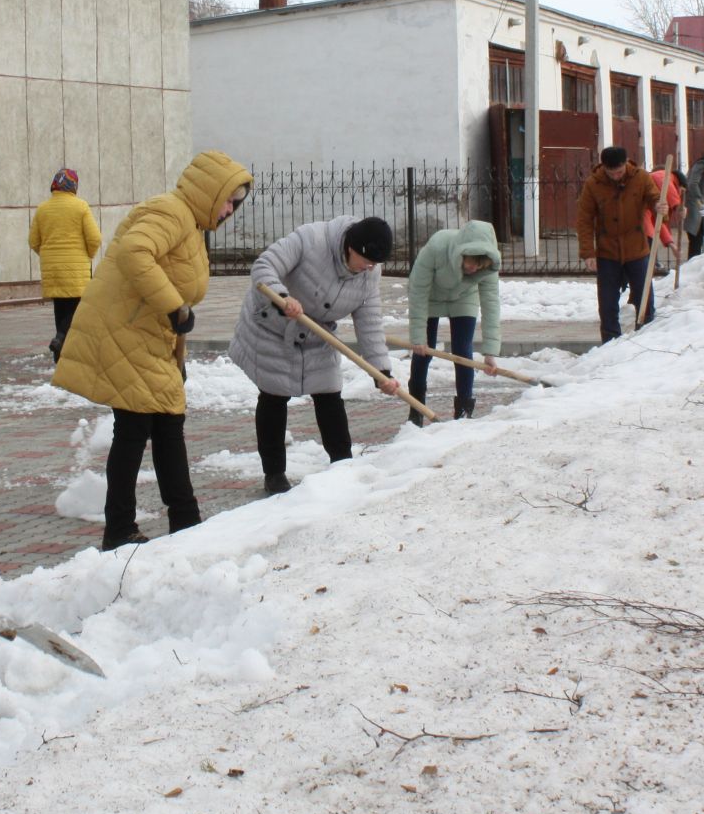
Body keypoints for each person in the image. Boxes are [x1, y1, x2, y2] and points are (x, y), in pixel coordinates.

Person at [53, 151, 253, 551]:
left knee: (165, 425)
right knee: (138, 428)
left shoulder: (190, 226)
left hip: (146, 338)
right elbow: (134, 253)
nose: (231, 210)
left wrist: (177, 352)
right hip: (125, 335)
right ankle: (125, 527)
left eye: (237, 203)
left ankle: (182, 519)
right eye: (230, 199)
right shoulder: (170, 212)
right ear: (210, 191)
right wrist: (173, 306)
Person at [230, 215, 400, 493]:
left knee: (330, 394)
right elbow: (264, 266)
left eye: (374, 264)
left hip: (316, 333)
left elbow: (369, 319)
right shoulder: (310, 239)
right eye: (365, 260)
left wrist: (380, 371)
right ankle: (274, 474)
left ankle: (343, 464)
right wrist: (282, 297)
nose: (369, 268)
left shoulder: (369, 273)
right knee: (274, 394)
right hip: (272, 326)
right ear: (349, 246)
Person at [405, 221, 502, 424]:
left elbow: (491, 303)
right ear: (461, 253)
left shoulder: (487, 267)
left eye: (479, 266)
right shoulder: (437, 247)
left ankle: (464, 410)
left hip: (464, 297)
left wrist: (490, 352)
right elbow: (418, 291)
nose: (473, 268)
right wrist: (418, 337)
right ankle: (416, 410)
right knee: (424, 351)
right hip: (431, 295)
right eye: (470, 262)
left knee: (462, 350)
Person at [576, 146, 671, 341]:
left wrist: (660, 207)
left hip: (637, 249)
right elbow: (584, 219)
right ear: (604, 168)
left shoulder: (641, 178)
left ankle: (646, 338)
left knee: (644, 297)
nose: (616, 177)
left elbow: (655, 198)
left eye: (619, 172)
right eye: (611, 173)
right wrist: (588, 253)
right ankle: (610, 341)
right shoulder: (594, 184)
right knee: (607, 301)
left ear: (626, 163)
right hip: (607, 252)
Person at [28, 167, 102, 363]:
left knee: (60, 309)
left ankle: (59, 356)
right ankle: (61, 339)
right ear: (73, 185)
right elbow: (94, 239)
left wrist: (48, 256)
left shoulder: (42, 209)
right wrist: (88, 256)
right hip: (76, 270)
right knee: (76, 311)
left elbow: (33, 241)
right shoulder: (81, 207)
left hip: (53, 270)